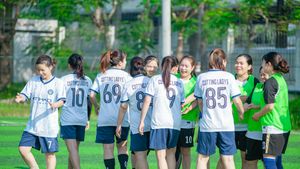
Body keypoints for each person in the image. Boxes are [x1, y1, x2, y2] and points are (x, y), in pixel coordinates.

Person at [194, 48, 244, 169]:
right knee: (228, 159)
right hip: (226, 125)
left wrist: (205, 113)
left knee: (203, 158)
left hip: (208, 125)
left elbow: (200, 102)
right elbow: (237, 100)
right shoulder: (229, 77)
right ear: (224, 61)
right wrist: (241, 112)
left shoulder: (201, 77)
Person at [15, 54, 66, 169]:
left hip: (48, 127)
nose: (40, 72)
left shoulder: (58, 83)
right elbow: (25, 94)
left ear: (51, 67)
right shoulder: (33, 81)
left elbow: (62, 100)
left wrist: (55, 104)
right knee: (23, 149)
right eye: (38, 70)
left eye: (43, 70)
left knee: (49, 155)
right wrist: (21, 98)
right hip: (32, 126)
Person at [139, 56, 185, 169]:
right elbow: (181, 104)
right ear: (175, 68)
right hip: (175, 123)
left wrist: (142, 121)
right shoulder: (179, 82)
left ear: (162, 66)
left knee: (161, 156)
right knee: (170, 155)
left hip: (159, 122)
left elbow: (147, 100)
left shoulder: (155, 79)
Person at [90, 49, 132, 169]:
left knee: (108, 148)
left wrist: (97, 106)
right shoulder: (126, 76)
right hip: (122, 118)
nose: (125, 63)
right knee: (122, 147)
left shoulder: (101, 74)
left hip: (105, 118)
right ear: (120, 63)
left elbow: (92, 95)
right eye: (125, 60)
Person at [252, 52, 291, 169]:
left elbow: (270, 106)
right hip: (283, 126)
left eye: (263, 64)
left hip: (272, 127)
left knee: (268, 161)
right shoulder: (281, 79)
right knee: (277, 162)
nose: (262, 67)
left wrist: (258, 115)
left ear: (269, 64)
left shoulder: (270, 82)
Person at [116, 56, 151, 169]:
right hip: (154, 124)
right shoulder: (151, 81)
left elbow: (123, 107)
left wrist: (119, 124)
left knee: (140, 156)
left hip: (137, 126)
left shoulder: (129, 84)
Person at [60, 53, 92, 169]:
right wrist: (88, 119)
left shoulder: (63, 80)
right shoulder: (88, 80)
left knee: (72, 150)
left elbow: (60, 100)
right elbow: (88, 102)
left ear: (69, 65)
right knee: (73, 150)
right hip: (81, 119)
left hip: (68, 119)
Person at [129, 55, 159, 169]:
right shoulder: (154, 81)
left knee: (139, 154)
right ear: (144, 66)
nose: (152, 69)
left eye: (154, 66)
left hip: (149, 124)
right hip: (144, 124)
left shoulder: (156, 81)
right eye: (149, 66)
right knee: (138, 154)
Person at [232, 54, 259, 169]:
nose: (238, 65)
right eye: (237, 62)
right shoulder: (229, 80)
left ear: (249, 67)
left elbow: (257, 101)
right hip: (229, 127)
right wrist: (239, 99)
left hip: (246, 128)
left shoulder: (255, 82)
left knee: (246, 160)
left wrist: (239, 99)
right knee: (225, 159)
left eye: (241, 63)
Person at [175, 55, 199, 169]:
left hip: (187, 121)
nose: (183, 68)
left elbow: (199, 99)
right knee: (171, 150)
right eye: (182, 65)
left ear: (192, 67)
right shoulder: (173, 79)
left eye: (186, 66)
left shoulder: (196, 82)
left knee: (185, 152)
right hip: (172, 121)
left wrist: (190, 108)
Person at [243, 67, 269, 169]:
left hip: (266, 131)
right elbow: (248, 101)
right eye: (261, 74)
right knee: (250, 162)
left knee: (267, 162)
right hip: (252, 131)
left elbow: (271, 105)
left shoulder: (272, 87)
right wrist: (245, 107)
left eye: (265, 75)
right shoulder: (257, 86)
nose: (262, 77)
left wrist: (256, 106)